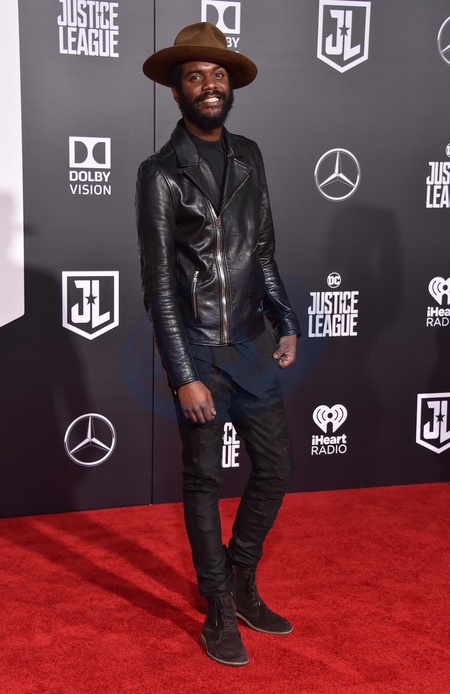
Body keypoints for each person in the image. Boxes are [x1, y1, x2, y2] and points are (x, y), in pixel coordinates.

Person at [136, 22, 301, 667]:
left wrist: (285, 317)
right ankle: (219, 608)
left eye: (219, 74)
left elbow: (262, 250)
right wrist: (183, 374)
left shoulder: (249, 156)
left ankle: (241, 575)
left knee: (277, 468)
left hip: (253, 345)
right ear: (177, 90)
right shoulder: (160, 174)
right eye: (196, 76)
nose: (210, 85)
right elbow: (158, 286)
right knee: (203, 480)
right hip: (199, 350)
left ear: (230, 87)